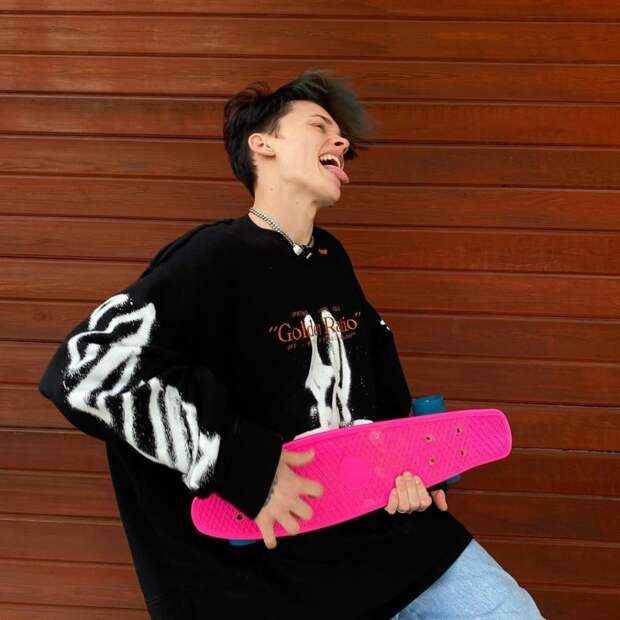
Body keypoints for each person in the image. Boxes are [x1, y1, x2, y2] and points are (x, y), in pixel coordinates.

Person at [38, 68, 543, 619]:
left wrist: (414, 469)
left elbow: (379, 392)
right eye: (320, 126)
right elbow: (86, 369)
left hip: (386, 536)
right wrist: (244, 466)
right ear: (264, 144)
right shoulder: (212, 257)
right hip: (270, 564)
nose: (342, 143)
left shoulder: (331, 259)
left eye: (341, 136)